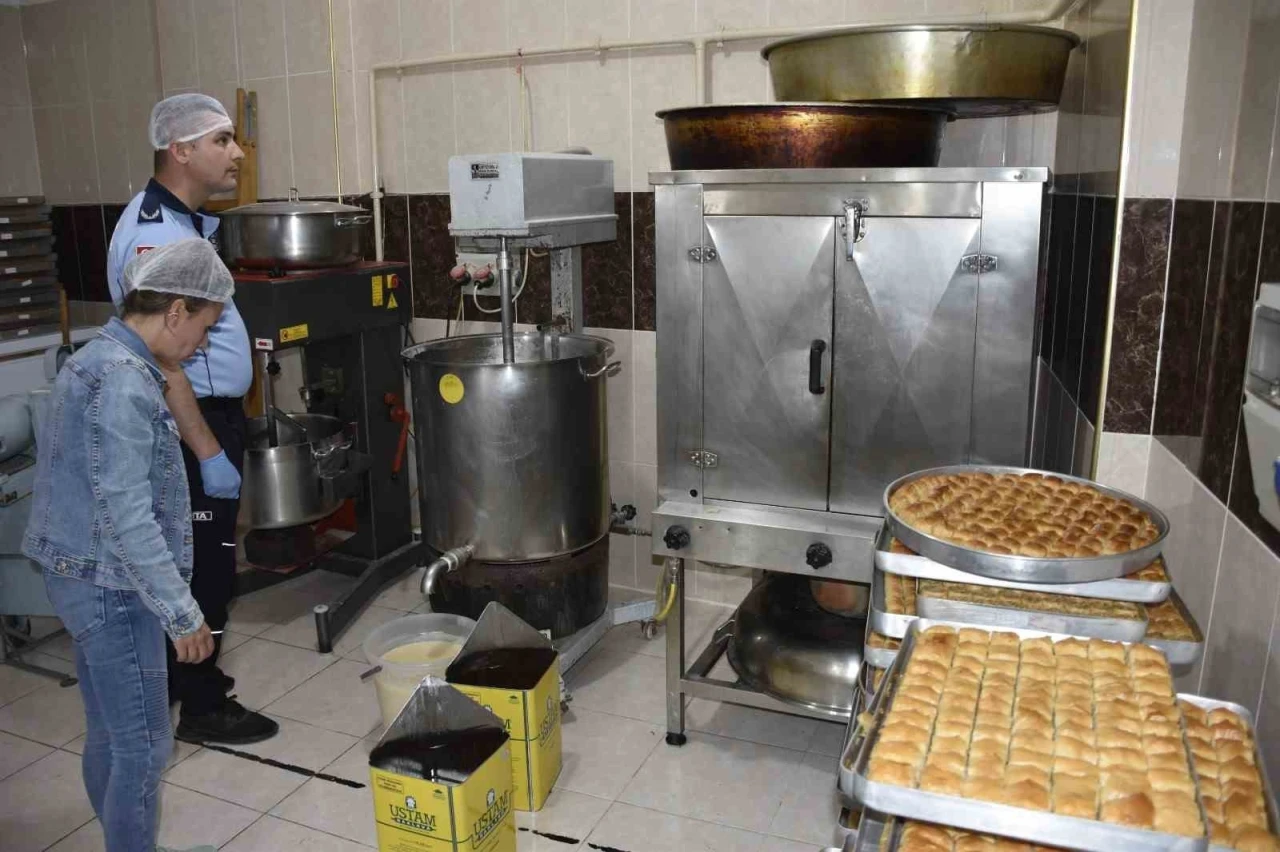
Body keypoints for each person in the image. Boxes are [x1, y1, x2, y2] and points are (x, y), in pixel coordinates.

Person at [23, 240, 232, 852]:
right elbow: (128, 516)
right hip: (112, 585)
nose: (202, 344)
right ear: (175, 311)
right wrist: (181, 611)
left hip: (81, 575)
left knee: (111, 735)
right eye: (204, 327)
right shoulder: (123, 382)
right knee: (144, 746)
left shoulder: (96, 356)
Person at [107, 94, 277, 745]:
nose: (237, 154)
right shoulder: (157, 236)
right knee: (205, 567)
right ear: (180, 151)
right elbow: (163, 357)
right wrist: (207, 450)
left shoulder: (183, 225)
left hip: (205, 416)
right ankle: (202, 706)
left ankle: (187, 681)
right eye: (221, 141)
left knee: (203, 561)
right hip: (191, 423)